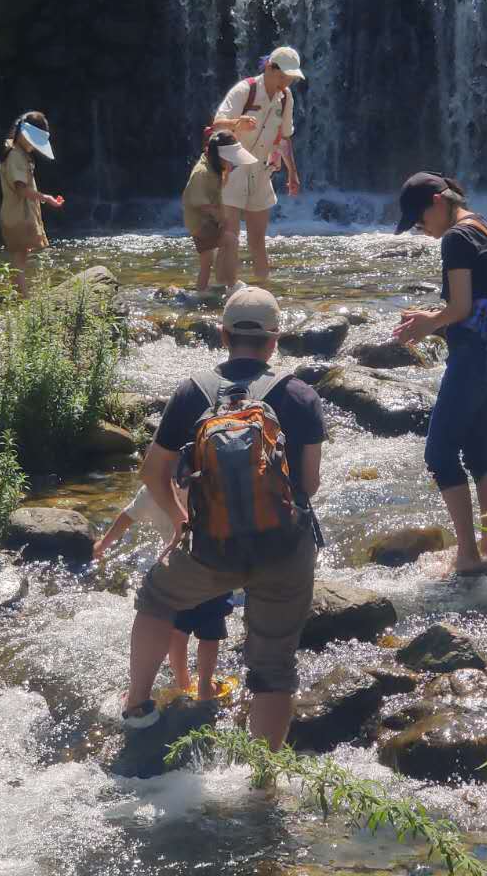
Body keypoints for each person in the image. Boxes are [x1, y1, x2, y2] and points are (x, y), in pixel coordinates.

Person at [122, 286, 325, 749]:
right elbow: (308, 486)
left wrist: (180, 521)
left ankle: (137, 706)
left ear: (222, 334)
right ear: (275, 341)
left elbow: (153, 473)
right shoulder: (299, 395)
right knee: (273, 666)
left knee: (156, 598)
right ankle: (263, 778)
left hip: (211, 546)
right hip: (283, 547)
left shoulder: (192, 392)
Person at [391, 172, 487, 577]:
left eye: (419, 217)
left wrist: (427, 322)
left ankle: (466, 556)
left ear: (439, 200)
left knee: (439, 453)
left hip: (473, 356)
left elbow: (460, 308)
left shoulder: (456, 238)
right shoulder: (484, 228)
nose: (420, 228)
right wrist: (433, 318)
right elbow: (480, 301)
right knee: (479, 447)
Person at [93, 484, 232, 700]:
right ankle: (205, 687)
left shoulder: (151, 491)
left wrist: (103, 543)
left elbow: (127, 517)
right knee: (210, 634)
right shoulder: (204, 480)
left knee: (178, 633)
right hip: (214, 568)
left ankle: (183, 683)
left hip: (177, 571)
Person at [210, 46, 305, 287]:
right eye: (284, 76)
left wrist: (292, 172)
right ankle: (224, 292)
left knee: (258, 240)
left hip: (261, 171)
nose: (287, 82)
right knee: (230, 237)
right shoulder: (246, 90)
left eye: (291, 78)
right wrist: (236, 123)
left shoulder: (286, 99)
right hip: (232, 170)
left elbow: (284, 137)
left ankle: (264, 293)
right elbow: (217, 126)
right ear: (270, 68)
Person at [182, 131, 258, 292]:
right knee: (231, 241)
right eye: (228, 160)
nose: (231, 163)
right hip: (201, 223)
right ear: (218, 156)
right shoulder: (201, 173)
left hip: (201, 221)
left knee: (206, 261)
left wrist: (227, 172)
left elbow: (216, 191)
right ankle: (232, 285)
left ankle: (201, 292)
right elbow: (201, 204)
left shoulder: (212, 166)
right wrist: (220, 218)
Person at [0, 111, 64, 297]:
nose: (34, 147)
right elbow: (20, 189)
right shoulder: (15, 156)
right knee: (20, 256)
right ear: (22, 135)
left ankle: (16, 292)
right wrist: (47, 198)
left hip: (21, 214)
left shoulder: (18, 153)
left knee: (22, 255)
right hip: (17, 215)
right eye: (33, 142)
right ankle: (24, 297)